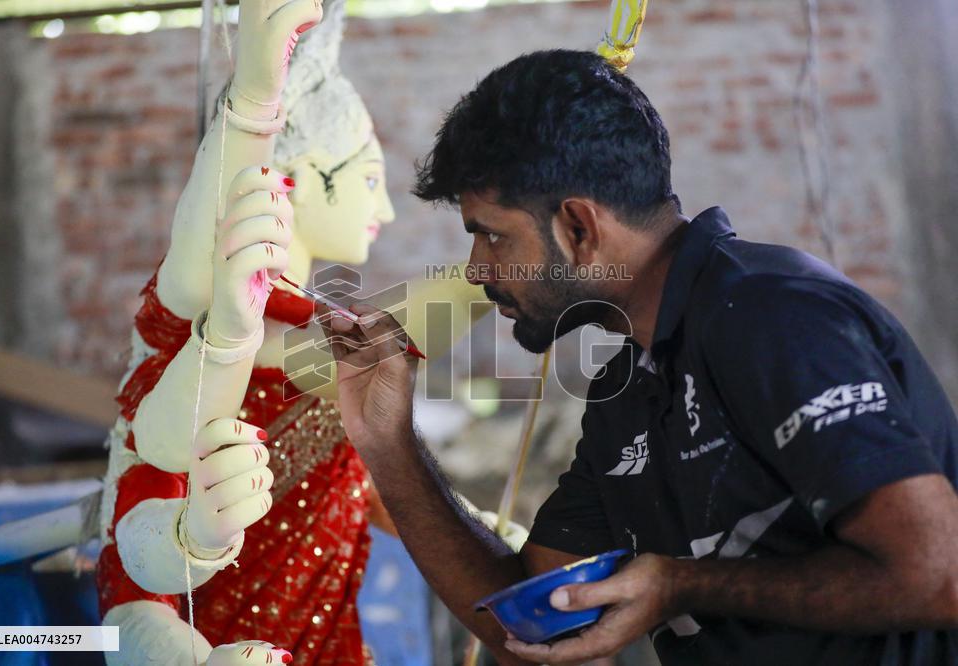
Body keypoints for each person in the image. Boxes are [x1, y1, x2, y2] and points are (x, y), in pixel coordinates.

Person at [320, 49, 958, 665]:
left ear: (578, 228)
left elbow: (937, 574)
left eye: (492, 234)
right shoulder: (627, 384)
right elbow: (531, 624)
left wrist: (681, 585)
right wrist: (389, 443)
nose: (479, 267)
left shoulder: (772, 318)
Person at [95, 0, 487, 664]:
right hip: (188, 623)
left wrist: (476, 536)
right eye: (369, 177)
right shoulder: (204, 304)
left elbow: (354, 478)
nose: (385, 206)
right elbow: (377, 334)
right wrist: (255, 93)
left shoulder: (317, 341)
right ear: (298, 180)